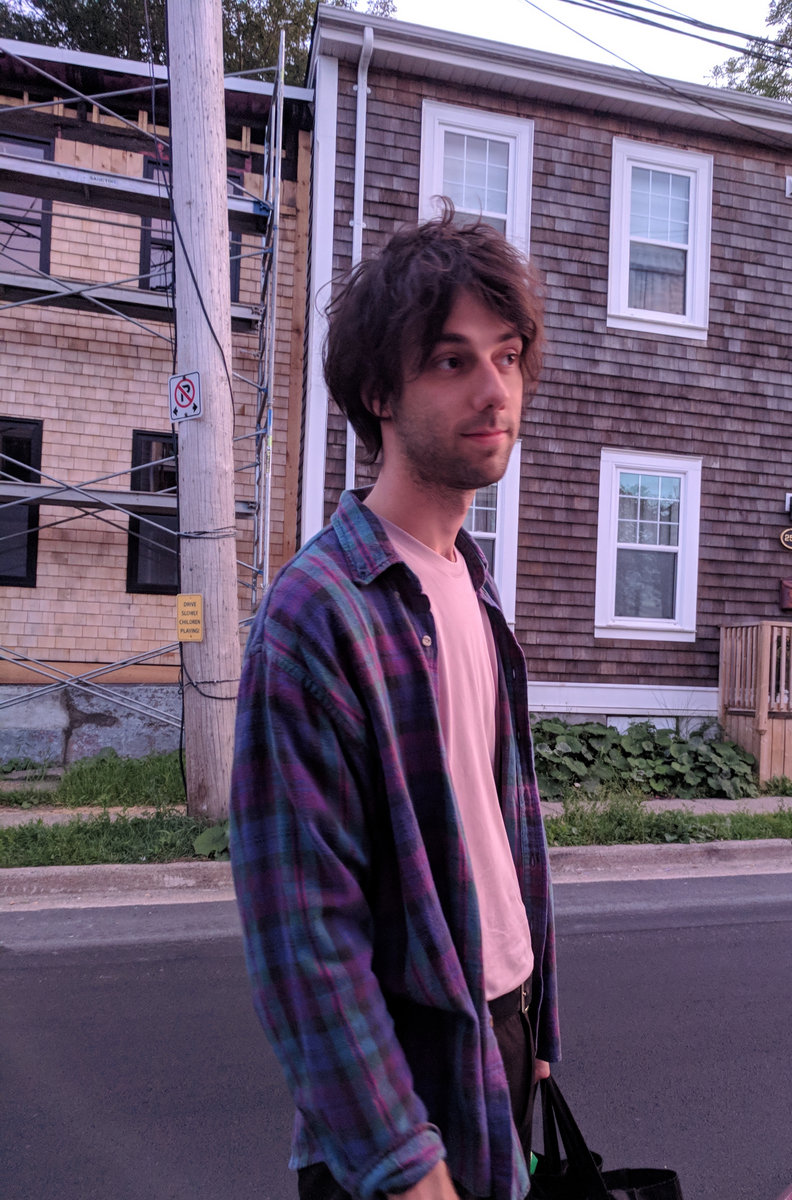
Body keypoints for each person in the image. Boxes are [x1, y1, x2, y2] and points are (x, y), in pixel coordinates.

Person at [228, 207, 560, 1200]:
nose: (494, 389)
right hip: (403, 1089)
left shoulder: (471, 582)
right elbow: (304, 939)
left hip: (500, 1037)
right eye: (452, 361)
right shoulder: (317, 614)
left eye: (506, 357)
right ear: (377, 392)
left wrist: (534, 1027)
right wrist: (402, 1163)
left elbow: (496, 833)